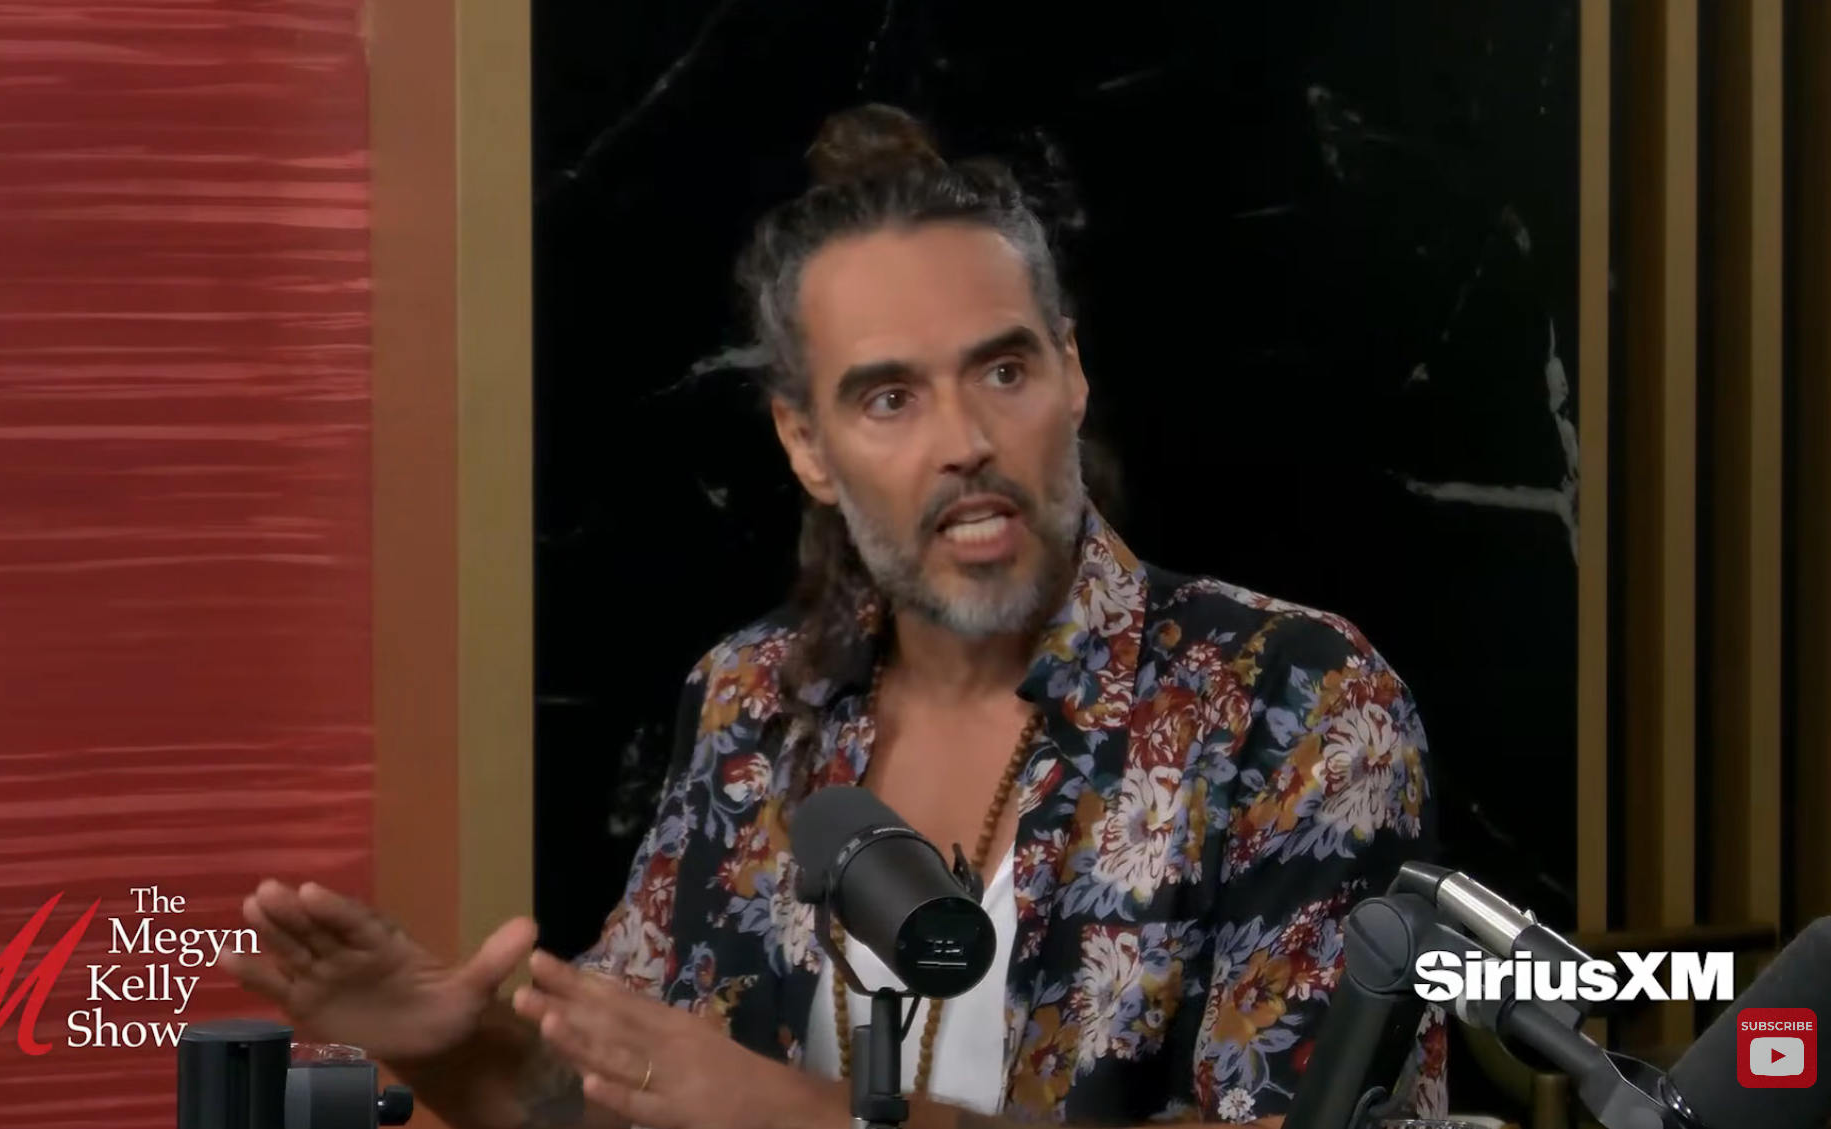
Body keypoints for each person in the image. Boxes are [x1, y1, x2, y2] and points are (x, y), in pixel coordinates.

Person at [224, 103, 1447, 1129]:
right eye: (888, 399)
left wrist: (793, 1115)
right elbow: (621, 1099)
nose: (965, 442)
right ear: (805, 444)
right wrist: (455, 1052)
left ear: (1070, 374)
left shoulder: (1293, 704)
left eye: (1003, 370)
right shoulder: (752, 702)